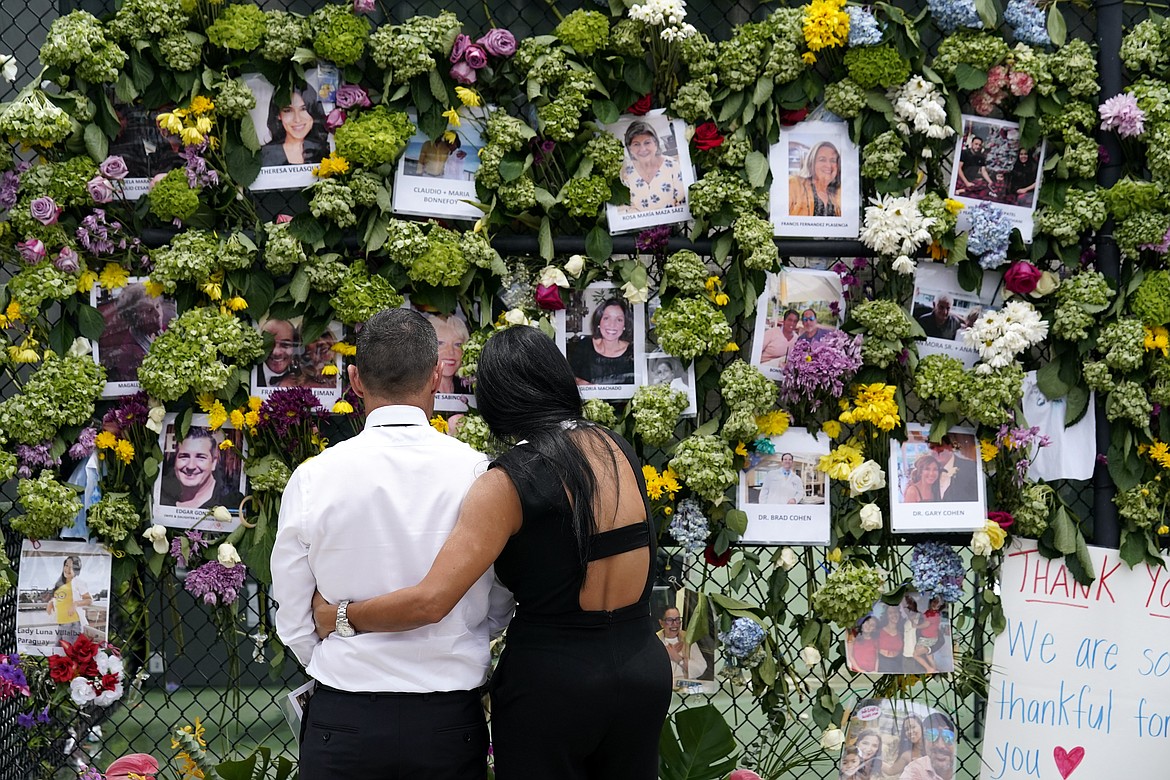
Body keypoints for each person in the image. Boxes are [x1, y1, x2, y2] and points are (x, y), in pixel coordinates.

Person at [310, 325, 672, 779]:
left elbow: (431, 601)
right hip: (643, 668)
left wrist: (340, 616)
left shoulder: (507, 480)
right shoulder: (614, 447)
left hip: (554, 679)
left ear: (495, 401)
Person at [270, 308, 514, 779]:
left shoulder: (313, 478)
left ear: (355, 380)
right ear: (435, 376)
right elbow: (500, 601)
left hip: (344, 715)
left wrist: (338, 651)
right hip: (445, 719)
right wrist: (458, 640)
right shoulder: (478, 473)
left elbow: (294, 614)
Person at [98, 283, 173, 383]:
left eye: (158, 306)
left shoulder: (166, 330)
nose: (158, 314)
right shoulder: (130, 354)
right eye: (149, 311)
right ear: (134, 319)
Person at [158, 428, 244, 511]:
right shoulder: (161, 498)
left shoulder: (233, 503)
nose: (191, 466)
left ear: (214, 462)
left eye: (201, 457)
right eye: (184, 457)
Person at [619, 121, 686, 213]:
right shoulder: (625, 172)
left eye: (647, 143)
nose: (643, 149)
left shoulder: (672, 165)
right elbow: (625, 208)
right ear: (630, 149)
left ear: (656, 144)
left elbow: (683, 202)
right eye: (636, 144)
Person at [567, 298, 636, 386]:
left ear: (625, 325)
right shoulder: (585, 345)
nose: (612, 324)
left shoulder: (633, 352)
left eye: (619, 320)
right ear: (599, 321)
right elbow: (569, 377)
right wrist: (587, 386)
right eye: (606, 318)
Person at [259, 87, 327, 167]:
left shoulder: (328, 151)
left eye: (304, 109)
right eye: (288, 110)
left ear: (314, 111)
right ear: (278, 115)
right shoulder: (264, 155)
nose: (297, 119)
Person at [788, 141, 842, 217]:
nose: (828, 165)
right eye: (822, 159)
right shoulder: (794, 184)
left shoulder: (839, 193)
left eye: (833, 160)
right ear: (811, 163)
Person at [424, 312, 473, 395]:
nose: (450, 351)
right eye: (441, 343)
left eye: (457, 344)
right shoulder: (418, 391)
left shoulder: (469, 390)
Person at [46, 555, 91, 644]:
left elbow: (89, 600)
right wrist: (51, 601)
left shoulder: (78, 582)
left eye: (72, 567)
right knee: (57, 651)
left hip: (72, 623)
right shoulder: (60, 583)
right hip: (61, 623)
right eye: (66, 565)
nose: (68, 569)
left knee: (68, 652)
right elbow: (60, 598)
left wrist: (76, 604)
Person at [899, 712, 956, 780]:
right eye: (931, 735)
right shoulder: (914, 769)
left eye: (948, 736)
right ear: (924, 740)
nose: (940, 745)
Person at [658, 606, 707, 684]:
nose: (675, 624)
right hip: (662, 685)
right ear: (661, 623)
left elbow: (701, 667)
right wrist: (665, 654)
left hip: (685, 686)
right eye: (670, 620)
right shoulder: (655, 640)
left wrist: (679, 659)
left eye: (677, 619)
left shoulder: (688, 639)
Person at [256, 319, 300, 388]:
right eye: (270, 344)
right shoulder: (250, 376)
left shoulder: (302, 377)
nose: (276, 352)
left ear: (294, 348)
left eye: (285, 345)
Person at [932, 437, 978, 502]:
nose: (935, 450)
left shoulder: (970, 466)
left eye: (939, 445)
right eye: (932, 447)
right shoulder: (931, 472)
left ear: (950, 447)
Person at [877, 604, 905, 673]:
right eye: (890, 613)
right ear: (886, 616)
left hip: (898, 664)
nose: (894, 614)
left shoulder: (902, 632)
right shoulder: (878, 631)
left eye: (896, 611)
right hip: (882, 663)